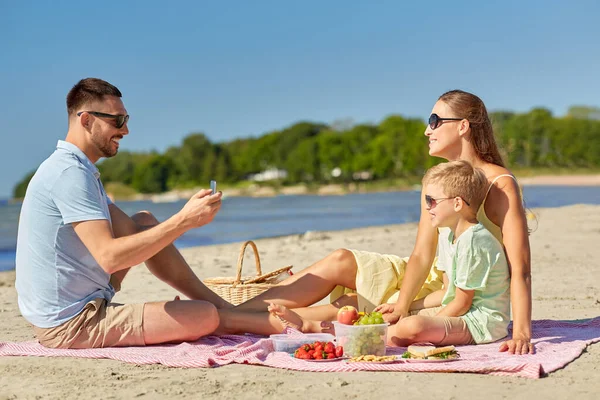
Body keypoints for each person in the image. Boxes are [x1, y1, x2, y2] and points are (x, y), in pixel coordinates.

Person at [233, 90, 534, 354]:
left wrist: (521, 331)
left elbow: (520, 270)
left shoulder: (499, 185)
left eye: (434, 121)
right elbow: (421, 254)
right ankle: (230, 313)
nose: (427, 131)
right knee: (341, 261)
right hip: (425, 279)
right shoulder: (438, 183)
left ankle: (228, 319)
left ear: (463, 126)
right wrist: (403, 304)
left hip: (452, 290)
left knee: (347, 307)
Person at [15, 77, 231, 349]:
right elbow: (110, 258)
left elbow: (132, 233)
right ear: (86, 120)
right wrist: (184, 220)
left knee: (143, 222)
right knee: (204, 316)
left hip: (85, 301)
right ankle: (225, 312)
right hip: (70, 324)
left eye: (126, 119)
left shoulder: (78, 168)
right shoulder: (69, 173)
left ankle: (221, 305)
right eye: (117, 121)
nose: (126, 130)